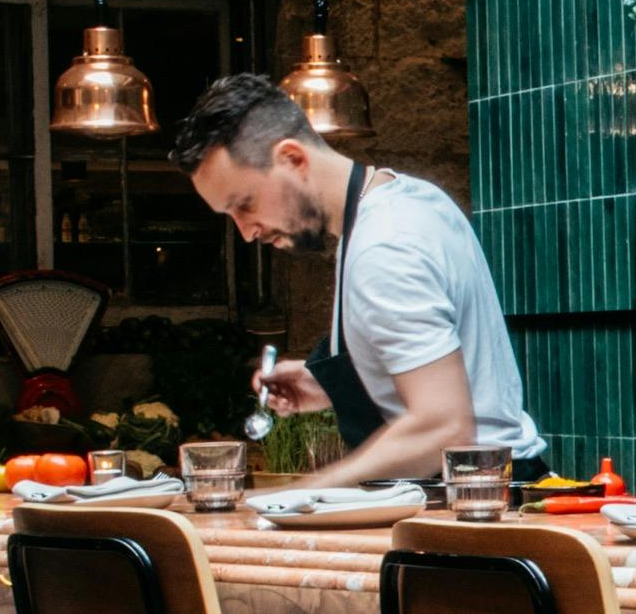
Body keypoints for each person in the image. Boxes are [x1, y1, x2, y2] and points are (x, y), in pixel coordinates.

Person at [172, 71, 540, 483]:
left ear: (292, 159)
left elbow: (445, 427)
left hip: (472, 499)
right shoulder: (404, 198)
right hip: (490, 485)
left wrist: (312, 489)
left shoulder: (384, 245)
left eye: (245, 204)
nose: (247, 231)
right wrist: (329, 386)